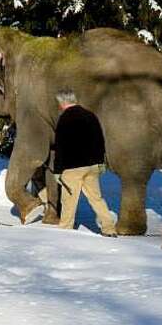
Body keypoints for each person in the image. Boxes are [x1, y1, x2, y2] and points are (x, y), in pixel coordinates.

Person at [52, 90, 117, 237]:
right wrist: (101, 161)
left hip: (72, 168)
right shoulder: (90, 115)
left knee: (69, 200)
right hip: (92, 166)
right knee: (96, 198)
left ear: (63, 103)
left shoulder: (64, 119)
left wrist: (57, 171)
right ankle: (109, 228)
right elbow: (100, 141)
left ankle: (65, 229)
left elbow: (60, 147)